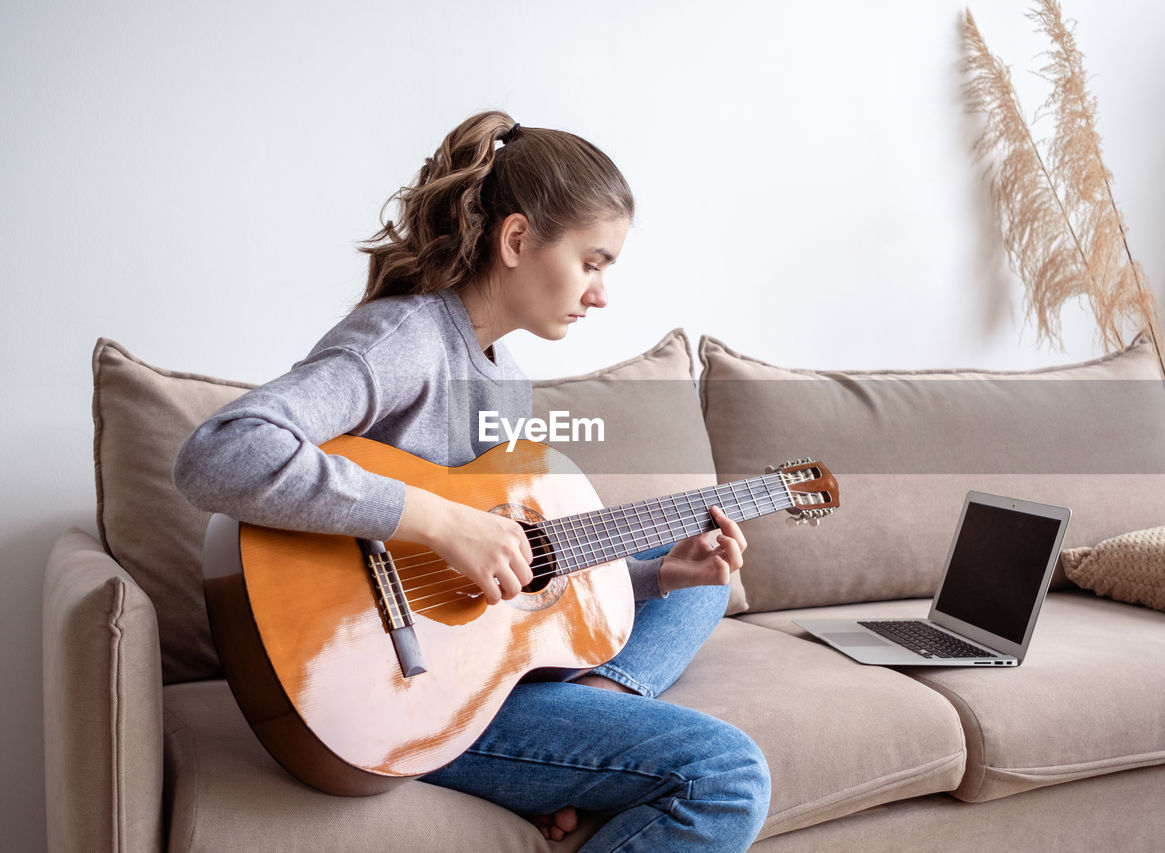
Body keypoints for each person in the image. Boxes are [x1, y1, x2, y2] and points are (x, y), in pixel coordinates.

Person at [173, 110, 771, 851]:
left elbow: (519, 582)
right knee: (729, 771)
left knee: (704, 588)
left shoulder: (507, 385)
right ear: (517, 240)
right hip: (403, 689)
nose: (602, 294)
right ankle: (586, 737)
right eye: (593, 262)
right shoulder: (405, 340)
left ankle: (590, 714)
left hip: (485, 658)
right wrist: (438, 521)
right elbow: (218, 452)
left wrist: (657, 577)